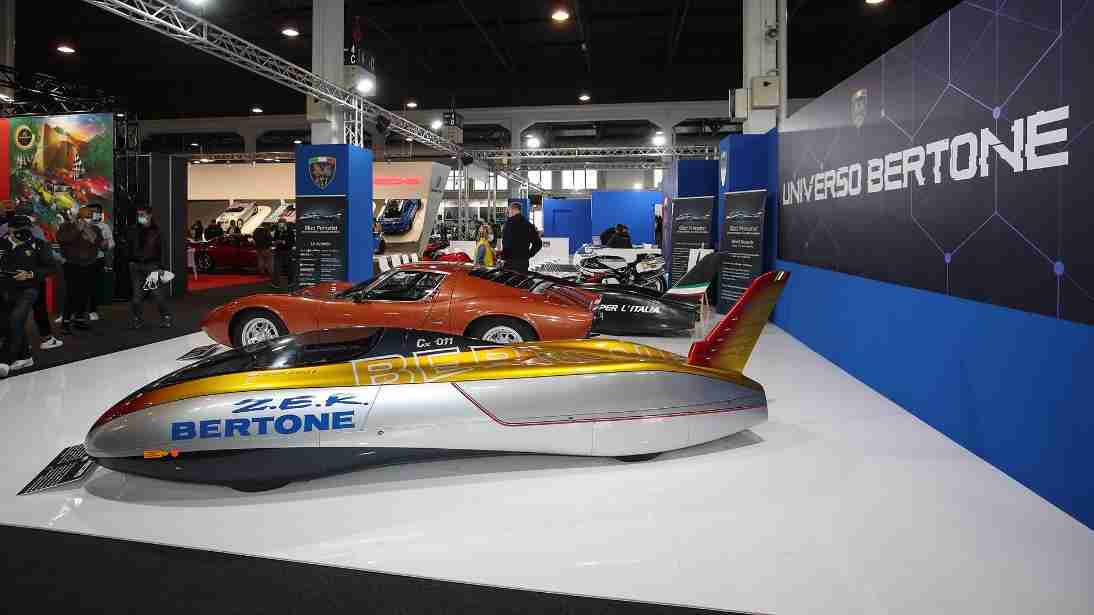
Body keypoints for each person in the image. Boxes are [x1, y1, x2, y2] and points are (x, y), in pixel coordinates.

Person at [0, 213, 55, 377]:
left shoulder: (39, 245)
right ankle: (25, 356)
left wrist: (30, 274)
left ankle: (4, 360)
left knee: (16, 319)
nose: (22, 232)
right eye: (17, 228)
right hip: (5, 289)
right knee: (9, 323)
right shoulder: (2, 243)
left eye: (25, 228)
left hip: (29, 289)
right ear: (10, 229)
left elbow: (50, 268)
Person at [127, 206, 172, 329]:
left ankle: (166, 317)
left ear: (149, 215)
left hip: (152, 266)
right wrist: (130, 261)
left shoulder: (157, 231)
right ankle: (137, 319)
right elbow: (129, 247)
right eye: (138, 215)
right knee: (136, 298)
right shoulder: (133, 230)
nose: (140, 217)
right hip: (136, 266)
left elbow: (162, 250)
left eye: (142, 214)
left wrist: (161, 267)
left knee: (158, 295)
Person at [56, 207, 101, 332]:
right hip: (72, 265)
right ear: (79, 217)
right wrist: (77, 230)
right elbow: (62, 239)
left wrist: (90, 233)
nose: (88, 219)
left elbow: (98, 242)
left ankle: (79, 320)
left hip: (89, 264)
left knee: (84, 293)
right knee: (71, 293)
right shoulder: (67, 227)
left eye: (90, 217)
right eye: (86, 217)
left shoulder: (95, 228)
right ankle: (65, 322)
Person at [85, 203, 114, 322]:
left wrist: (105, 245)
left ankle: (93, 310)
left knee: (94, 286)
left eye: (96, 211)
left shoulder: (104, 227)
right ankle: (75, 311)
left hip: (97, 259)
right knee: (79, 286)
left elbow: (110, 244)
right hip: (81, 260)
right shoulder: (82, 224)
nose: (93, 214)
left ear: (100, 213)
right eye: (90, 211)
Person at [499, 202, 541, 273]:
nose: (508, 213)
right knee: (521, 280)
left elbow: (506, 244)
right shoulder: (528, 225)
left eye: (509, 210)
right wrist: (528, 255)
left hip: (508, 262)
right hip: (522, 263)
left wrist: (502, 257)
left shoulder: (508, 225)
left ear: (513, 210)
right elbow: (538, 244)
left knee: (508, 280)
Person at [271, 220, 295, 289]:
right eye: (279, 223)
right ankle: (276, 283)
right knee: (277, 267)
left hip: (287, 251)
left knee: (288, 267)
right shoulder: (277, 231)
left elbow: (292, 242)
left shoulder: (290, 231)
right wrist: (275, 242)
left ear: (285, 224)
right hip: (278, 251)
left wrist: (284, 242)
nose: (280, 224)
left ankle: (290, 282)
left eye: (281, 223)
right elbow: (274, 239)